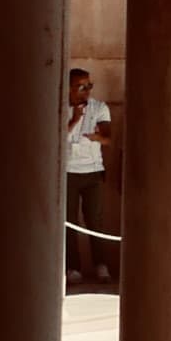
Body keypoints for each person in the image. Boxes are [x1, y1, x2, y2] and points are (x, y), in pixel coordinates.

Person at [63, 67, 113, 291]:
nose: (86, 91)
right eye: (81, 87)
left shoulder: (99, 107)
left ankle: (101, 265)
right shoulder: (61, 107)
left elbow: (107, 138)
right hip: (68, 171)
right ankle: (73, 268)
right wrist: (74, 120)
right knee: (69, 222)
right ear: (70, 88)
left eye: (89, 86)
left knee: (95, 220)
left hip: (92, 171)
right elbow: (56, 136)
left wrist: (95, 136)